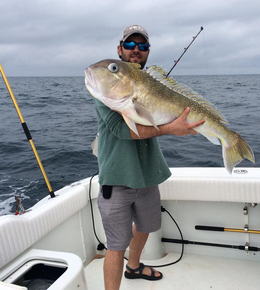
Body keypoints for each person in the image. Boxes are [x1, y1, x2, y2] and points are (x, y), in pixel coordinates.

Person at [94, 24, 205, 290]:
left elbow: (164, 113)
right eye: (130, 45)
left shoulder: (154, 85)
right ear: (119, 49)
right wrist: (170, 129)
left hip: (147, 174)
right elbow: (123, 130)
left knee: (146, 226)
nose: (136, 50)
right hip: (117, 177)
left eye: (142, 46)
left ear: (147, 52)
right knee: (115, 245)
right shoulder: (107, 87)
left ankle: (134, 267)